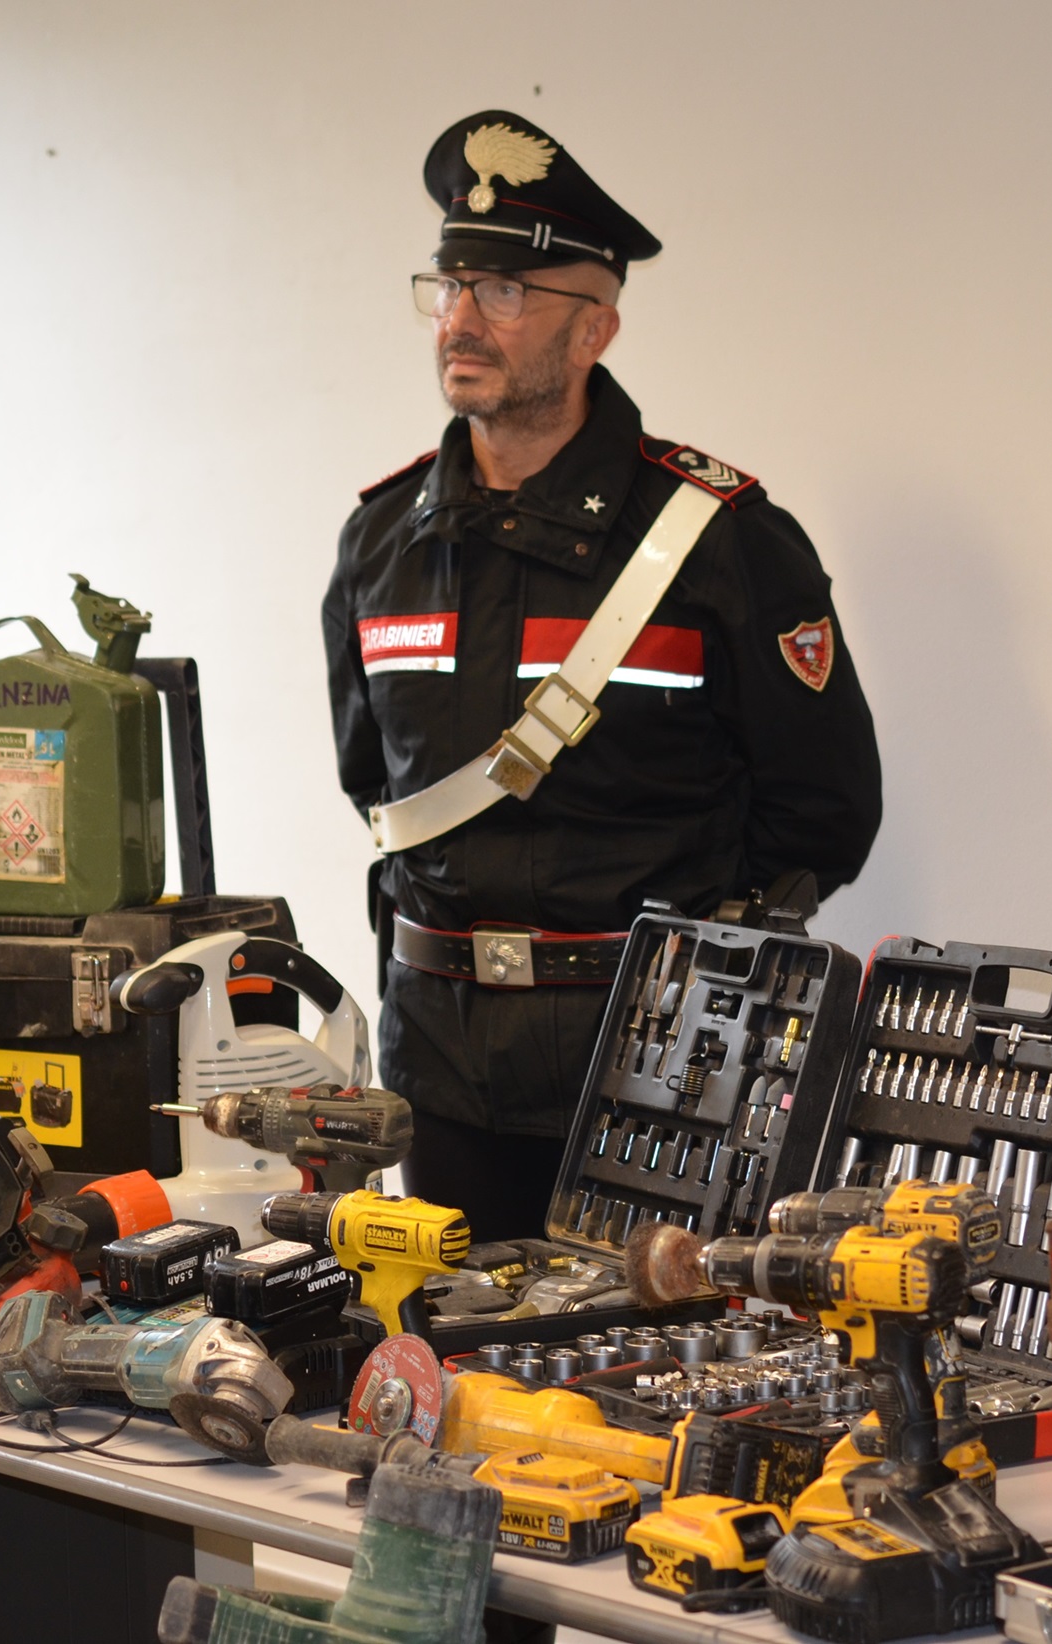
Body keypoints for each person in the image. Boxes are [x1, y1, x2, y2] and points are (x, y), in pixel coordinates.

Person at [324, 111, 882, 1241]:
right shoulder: (380, 541)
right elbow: (373, 783)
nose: (460, 320)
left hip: (655, 1073)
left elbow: (822, 813)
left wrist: (679, 971)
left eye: (504, 292)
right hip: (442, 1070)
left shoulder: (718, 540)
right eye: (449, 285)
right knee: (451, 1344)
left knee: (655, 1352)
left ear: (594, 331)